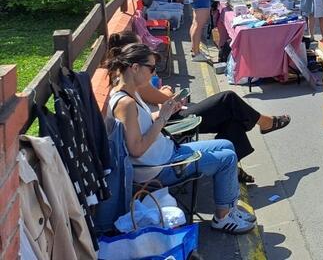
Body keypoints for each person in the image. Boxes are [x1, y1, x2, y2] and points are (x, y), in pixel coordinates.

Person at [106, 43, 255, 233]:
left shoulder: (128, 92)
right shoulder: (126, 103)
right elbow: (136, 148)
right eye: (151, 68)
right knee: (227, 158)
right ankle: (222, 217)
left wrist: (163, 111)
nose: (153, 74)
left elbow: (138, 125)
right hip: (159, 168)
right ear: (135, 68)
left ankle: (230, 208)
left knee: (227, 145)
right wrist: (162, 118)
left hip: (166, 154)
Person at [106, 31, 290, 184]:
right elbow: (165, 98)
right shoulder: (131, 87)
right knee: (228, 99)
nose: (153, 71)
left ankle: (233, 166)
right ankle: (262, 125)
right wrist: (165, 96)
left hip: (162, 124)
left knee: (233, 118)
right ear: (133, 64)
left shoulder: (130, 82)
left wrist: (162, 105)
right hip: (167, 126)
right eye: (151, 67)